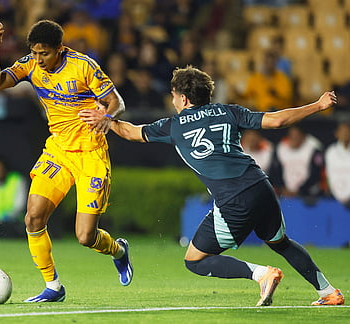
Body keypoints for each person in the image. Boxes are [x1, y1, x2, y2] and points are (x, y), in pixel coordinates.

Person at [79, 65, 344, 306]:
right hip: (262, 186)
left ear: (183, 98)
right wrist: (317, 106)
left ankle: (262, 274)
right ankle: (329, 292)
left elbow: (130, 132)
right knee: (281, 243)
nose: (172, 101)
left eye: (173, 96)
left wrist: (107, 119)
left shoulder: (173, 125)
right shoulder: (229, 111)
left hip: (233, 199)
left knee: (194, 260)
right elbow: (277, 120)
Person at [0, 19, 133, 303]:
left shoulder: (83, 66)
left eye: (45, 53)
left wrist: (107, 116)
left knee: (85, 236)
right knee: (33, 217)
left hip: (90, 154)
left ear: (60, 49)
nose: (39, 60)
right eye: (35, 52)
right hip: (58, 152)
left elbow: (117, 102)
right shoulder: (30, 64)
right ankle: (53, 286)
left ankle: (119, 251)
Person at [274, 125, 324, 198]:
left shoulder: (313, 149)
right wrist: (282, 188)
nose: (294, 138)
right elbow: (275, 171)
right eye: (291, 136)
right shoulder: (281, 148)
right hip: (286, 193)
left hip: (308, 194)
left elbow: (316, 173)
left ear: (303, 136)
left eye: (297, 136)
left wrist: (301, 190)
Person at [325, 122, 350, 209]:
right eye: (342, 131)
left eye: (347, 131)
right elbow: (329, 175)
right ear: (336, 134)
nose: (345, 134)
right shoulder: (330, 152)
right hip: (334, 197)